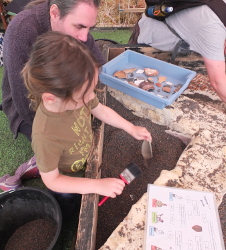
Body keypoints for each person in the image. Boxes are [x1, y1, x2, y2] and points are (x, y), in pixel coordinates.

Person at [20, 31, 152, 211]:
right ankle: (39, 166)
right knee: (70, 204)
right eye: (85, 94)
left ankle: (41, 164)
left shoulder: (76, 92)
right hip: (68, 178)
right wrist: (96, 185)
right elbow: (53, 181)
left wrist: (131, 128)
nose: (91, 97)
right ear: (51, 98)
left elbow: (101, 110)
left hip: (83, 159)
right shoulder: (45, 135)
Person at [0, 0, 106, 188]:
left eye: (90, 28)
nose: (84, 37)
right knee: (63, 151)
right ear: (55, 13)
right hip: (29, 106)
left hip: (64, 96)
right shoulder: (21, 31)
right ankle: (39, 162)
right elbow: (21, 97)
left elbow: (98, 62)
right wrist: (52, 131)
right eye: (80, 26)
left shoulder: (76, 28)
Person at [129, 4, 226, 103]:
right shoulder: (211, 27)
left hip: (187, 34)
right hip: (149, 38)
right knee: (136, 91)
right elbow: (218, 82)